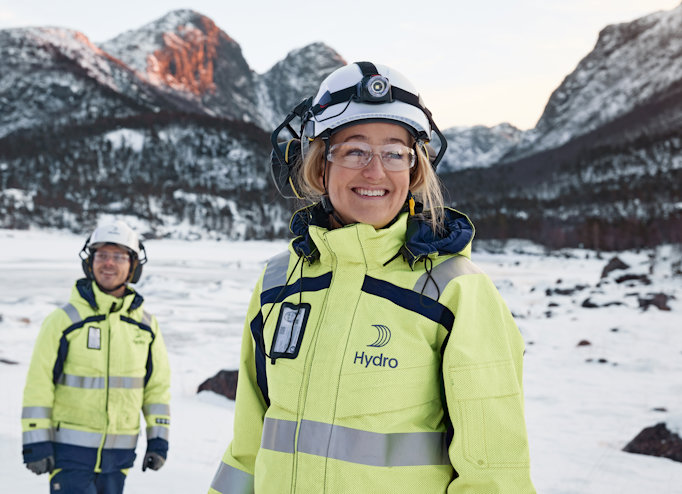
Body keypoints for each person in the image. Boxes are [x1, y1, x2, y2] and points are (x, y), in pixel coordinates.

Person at [209, 62, 535, 493]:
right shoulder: (277, 283)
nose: (375, 171)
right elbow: (249, 446)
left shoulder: (457, 292)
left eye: (395, 153)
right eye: (355, 150)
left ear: (415, 168)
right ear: (319, 163)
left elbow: (495, 475)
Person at [21, 220, 171, 493]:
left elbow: (157, 389)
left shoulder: (146, 327)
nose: (109, 264)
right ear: (89, 262)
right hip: (69, 455)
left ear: (134, 266)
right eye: (101, 255)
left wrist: (158, 439)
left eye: (118, 256)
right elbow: (39, 383)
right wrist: (35, 440)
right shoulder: (63, 321)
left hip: (120, 456)